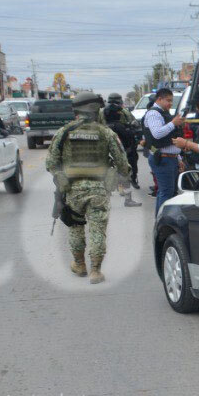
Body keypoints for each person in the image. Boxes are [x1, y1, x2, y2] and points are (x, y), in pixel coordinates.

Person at [46, 92, 132, 284]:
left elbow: (51, 162)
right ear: (96, 110)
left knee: (75, 227)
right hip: (99, 190)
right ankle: (95, 270)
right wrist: (125, 175)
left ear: (76, 110)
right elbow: (122, 162)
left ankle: (79, 264)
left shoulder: (65, 132)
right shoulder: (106, 133)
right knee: (97, 230)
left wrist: (62, 180)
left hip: (73, 191)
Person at [142, 87, 184, 212]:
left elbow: (172, 138)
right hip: (163, 159)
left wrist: (178, 157)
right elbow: (157, 134)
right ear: (159, 99)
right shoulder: (154, 113)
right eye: (168, 101)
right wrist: (173, 124)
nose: (170, 104)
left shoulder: (163, 113)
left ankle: (161, 222)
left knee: (166, 192)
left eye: (172, 101)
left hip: (170, 158)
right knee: (166, 193)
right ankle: (162, 223)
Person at [103, 93, 142, 207]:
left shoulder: (104, 125)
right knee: (125, 174)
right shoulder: (119, 124)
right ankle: (128, 199)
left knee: (106, 176)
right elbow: (129, 135)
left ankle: (106, 199)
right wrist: (132, 130)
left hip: (106, 153)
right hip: (122, 152)